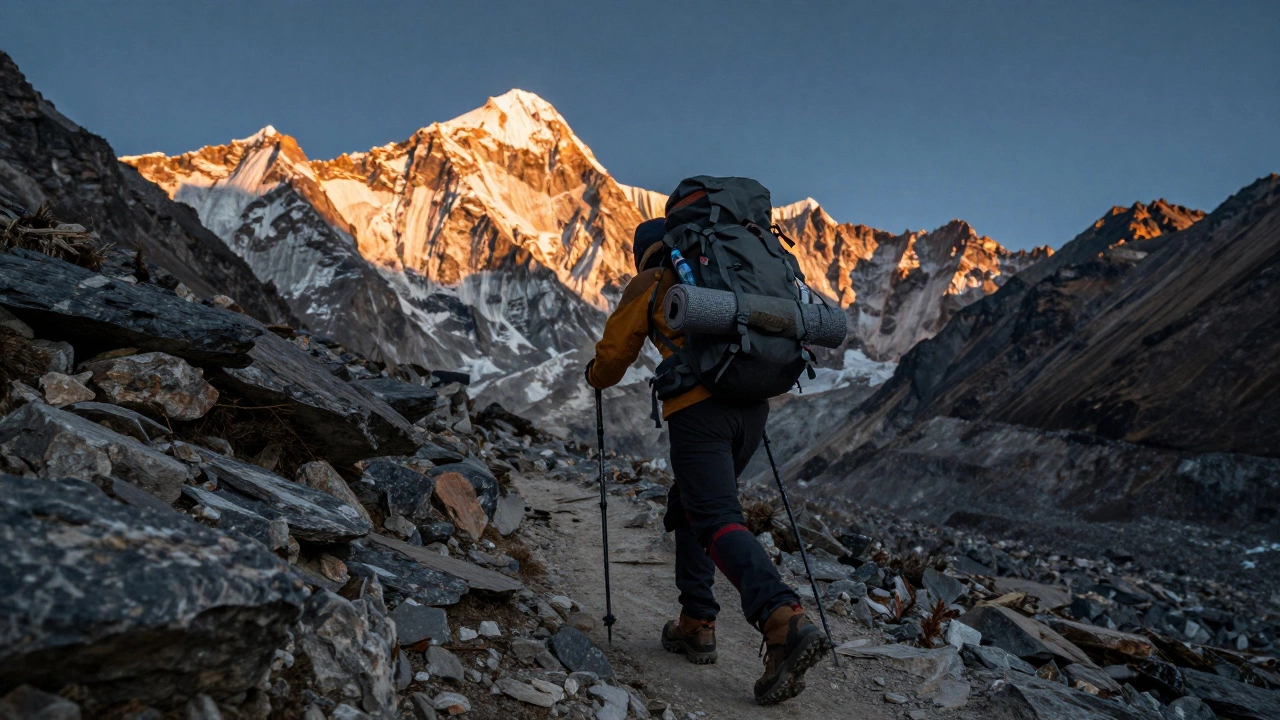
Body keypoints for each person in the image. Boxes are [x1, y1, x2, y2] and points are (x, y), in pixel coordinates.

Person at [585, 217, 830, 705]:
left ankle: (782, 618)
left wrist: (594, 373)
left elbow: (613, 360)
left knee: (716, 518)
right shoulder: (734, 276)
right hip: (751, 411)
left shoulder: (653, 281)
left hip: (699, 415)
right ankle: (696, 622)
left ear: (644, 252)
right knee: (692, 504)